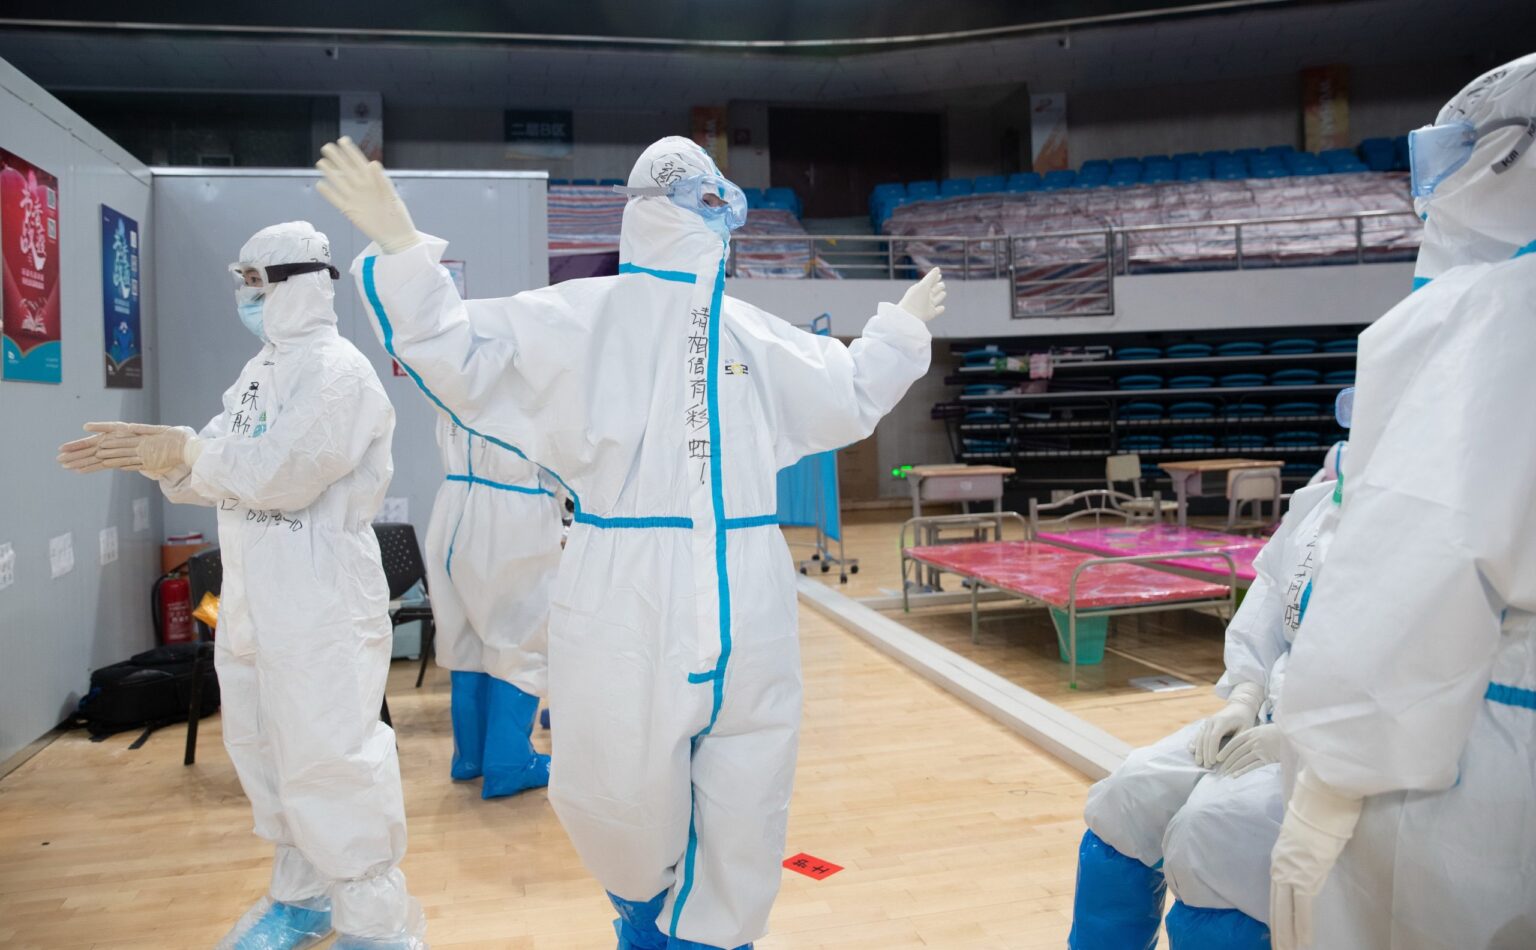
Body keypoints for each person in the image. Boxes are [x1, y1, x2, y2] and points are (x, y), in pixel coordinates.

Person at [315, 134, 941, 949]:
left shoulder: (751, 334)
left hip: (750, 589)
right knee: (619, 784)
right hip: (627, 585)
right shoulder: (584, 318)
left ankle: (713, 936)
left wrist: (898, 334)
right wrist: (403, 251)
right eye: (703, 197)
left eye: (722, 197)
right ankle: (645, 919)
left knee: (750, 789)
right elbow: (458, 351)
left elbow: (848, 389)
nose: (719, 213)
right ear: (652, 208)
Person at [57, 222, 424, 950]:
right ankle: (301, 897)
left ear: (299, 282)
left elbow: (280, 475)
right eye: (241, 280)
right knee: (265, 750)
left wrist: (194, 452)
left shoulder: (338, 373)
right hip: (256, 594)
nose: (244, 296)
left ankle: (375, 924)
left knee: (331, 760)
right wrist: (168, 459)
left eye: (254, 282)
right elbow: (222, 467)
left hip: (321, 597)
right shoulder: (260, 371)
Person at [1270, 54, 1536, 950]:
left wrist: (1333, 770)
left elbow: (1416, 572)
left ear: (1509, 158)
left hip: (1471, 753)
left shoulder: (1494, 312)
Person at [1068, 395, 1350, 950]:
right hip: (1270, 715)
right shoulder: (1316, 509)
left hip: (1342, 745)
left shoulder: (1421, 535)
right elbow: (1269, 609)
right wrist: (1245, 695)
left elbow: (1407, 685)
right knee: (1130, 791)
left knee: (1213, 832)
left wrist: (1302, 738)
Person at [425, 415, 559, 798]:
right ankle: (509, 764)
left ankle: (470, 757)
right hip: (512, 512)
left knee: (464, 642)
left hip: (453, 502)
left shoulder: (461, 376)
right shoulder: (529, 380)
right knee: (518, 642)